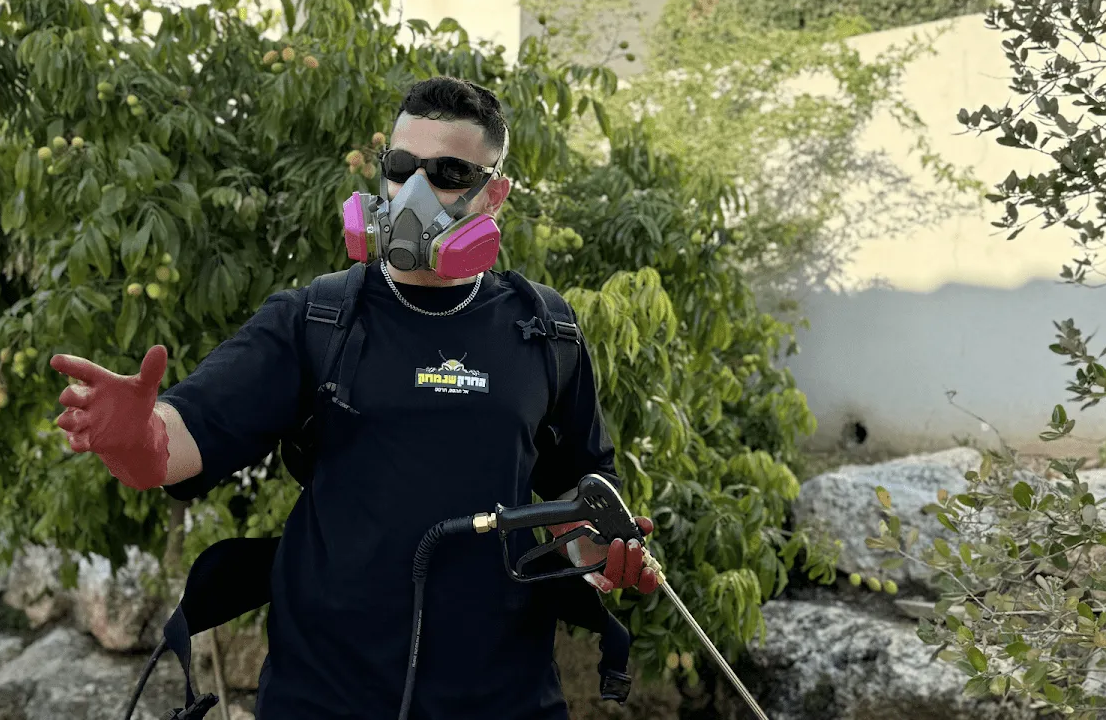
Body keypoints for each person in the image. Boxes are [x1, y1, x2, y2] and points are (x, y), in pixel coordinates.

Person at [49, 77, 659, 720]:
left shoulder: (545, 329)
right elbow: (179, 440)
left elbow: (581, 500)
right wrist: (134, 438)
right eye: (401, 166)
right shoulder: (315, 318)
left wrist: (600, 554)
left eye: (448, 173)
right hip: (325, 696)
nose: (414, 190)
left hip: (504, 699)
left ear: (494, 193)